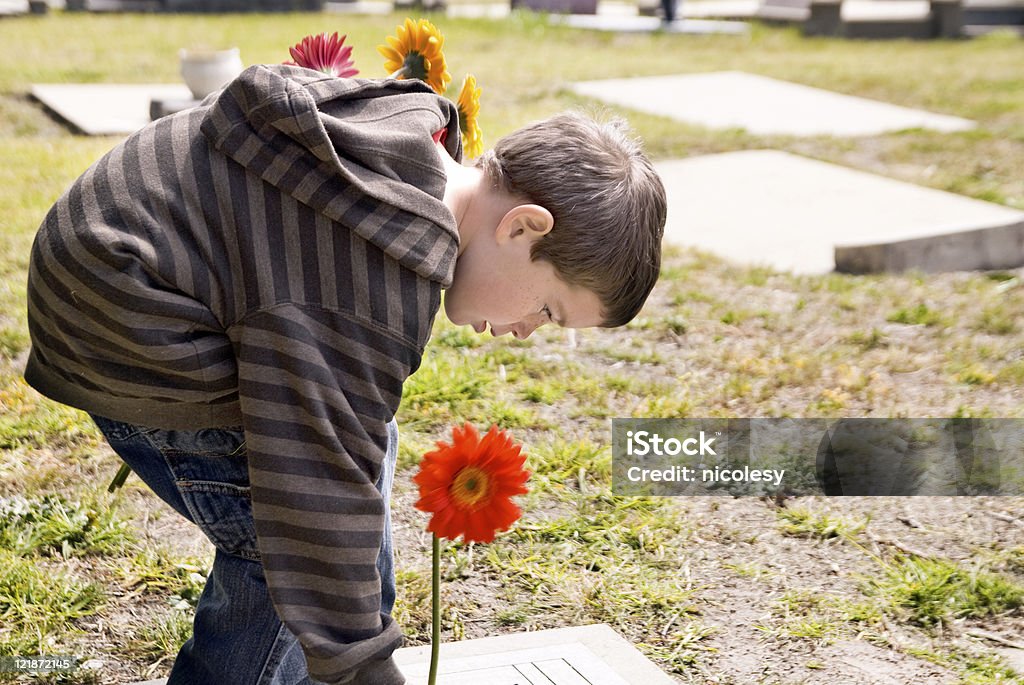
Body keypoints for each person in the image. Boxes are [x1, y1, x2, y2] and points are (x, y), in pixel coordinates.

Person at [23, 64, 666, 684]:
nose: (527, 331)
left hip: (104, 269)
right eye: (547, 309)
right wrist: (364, 666)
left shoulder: (403, 137)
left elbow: (347, 440)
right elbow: (311, 490)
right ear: (523, 226)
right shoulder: (372, 282)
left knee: (363, 448)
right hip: (129, 330)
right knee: (277, 557)